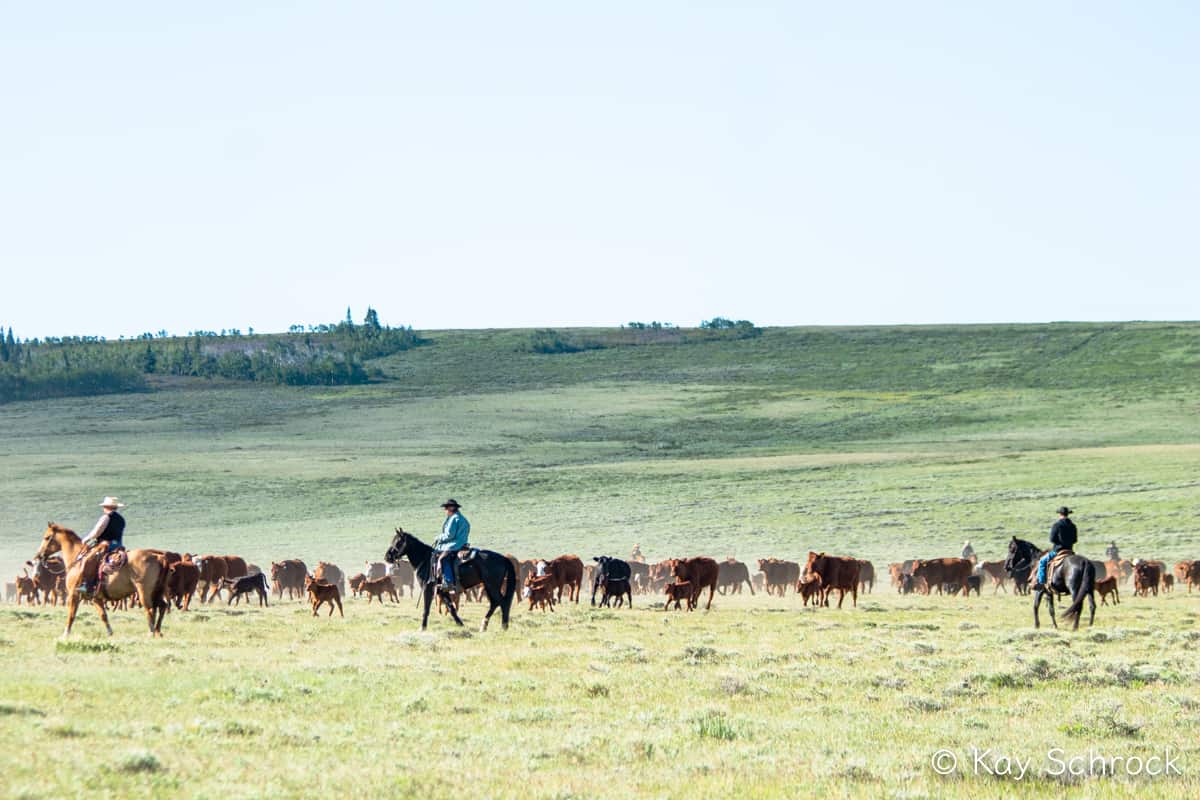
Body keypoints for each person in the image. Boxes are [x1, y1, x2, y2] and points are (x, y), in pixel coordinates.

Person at [80, 496, 127, 594]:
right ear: (116, 507)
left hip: (106, 544)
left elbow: (96, 532)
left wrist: (85, 540)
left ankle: (85, 584)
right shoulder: (121, 519)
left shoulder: (106, 517)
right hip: (118, 545)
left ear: (106, 507)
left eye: (104, 506)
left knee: (87, 560)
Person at [1034, 506, 1077, 591]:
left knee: (1042, 561)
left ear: (1060, 514)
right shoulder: (1073, 525)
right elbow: (1075, 540)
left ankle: (1041, 583)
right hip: (1070, 551)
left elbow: (1052, 539)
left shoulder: (1057, 525)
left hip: (1058, 551)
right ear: (1068, 514)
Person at [432, 499, 470, 592]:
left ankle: (448, 582)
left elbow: (449, 535)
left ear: (452, 508)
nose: (446, 510)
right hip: (462, 543)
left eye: (447, 508)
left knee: (443, 558)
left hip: (454, 545)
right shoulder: (463, 519)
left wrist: (438, 538)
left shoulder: (454, 519)